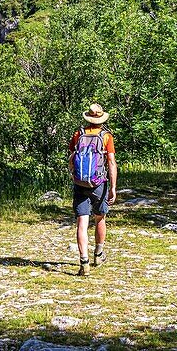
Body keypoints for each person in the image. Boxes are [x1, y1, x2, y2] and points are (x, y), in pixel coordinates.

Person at [68, 103, 117, 276]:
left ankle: (84, 263)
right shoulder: (106, 136)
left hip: (80, 183)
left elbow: (72, 157)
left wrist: (73, 175)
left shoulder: (78, 134)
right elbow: (111, 162)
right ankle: (98, 254)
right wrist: (113, 187)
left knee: (82, 222)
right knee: (100, 217)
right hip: (99, 183)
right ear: (101, 119)